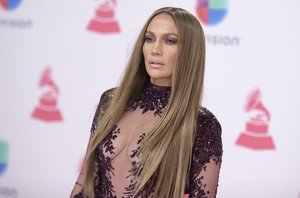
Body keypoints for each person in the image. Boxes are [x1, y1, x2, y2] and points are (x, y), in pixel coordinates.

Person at [71, 6, 222, 198]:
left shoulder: (202, 125)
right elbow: (85, 182)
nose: (155, 49)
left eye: (170, 41)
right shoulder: (110, 102)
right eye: (149, 39)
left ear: (189, 52)